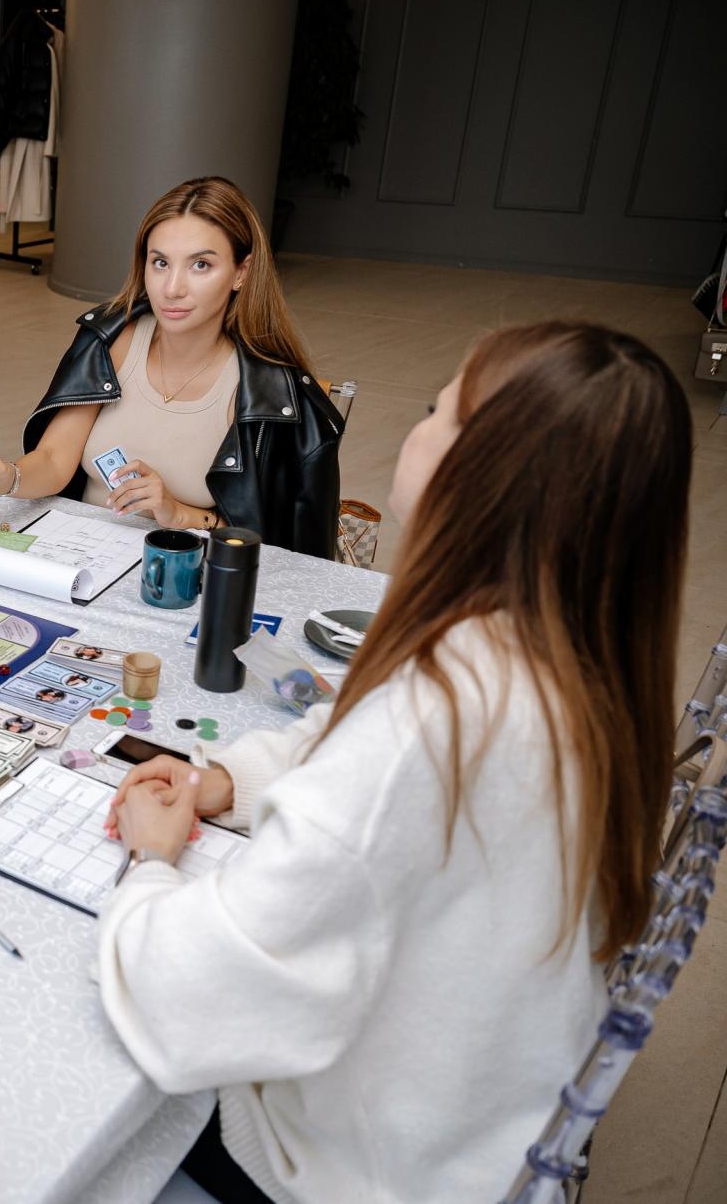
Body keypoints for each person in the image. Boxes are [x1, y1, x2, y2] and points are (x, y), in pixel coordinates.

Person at [98, 322, 691, 1202]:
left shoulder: (432, 726)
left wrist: (149, 861)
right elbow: (348, 734)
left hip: (356, 1168)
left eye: (437, 412)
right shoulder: (572, 658)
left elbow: (186, 995)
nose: (416, 427)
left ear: (488, 475)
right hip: (476, 1123)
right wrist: (228, 780)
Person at [0, 176, 342, 556]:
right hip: (77, 557)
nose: (172, 288)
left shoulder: (268, 392)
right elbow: (55, 461)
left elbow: (274, 548)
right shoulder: (110, 340)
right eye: (160, 262)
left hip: (185, 577)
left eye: (200, 265)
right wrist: (4, 474)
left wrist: (179, 513)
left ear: (242, 272)